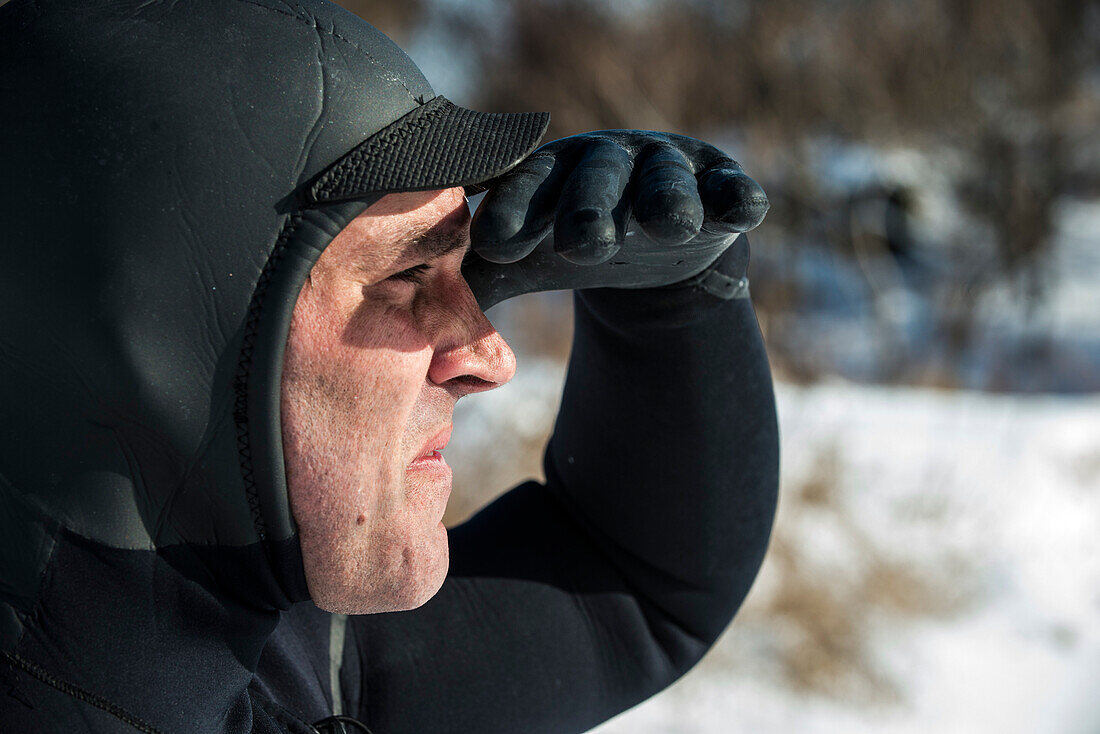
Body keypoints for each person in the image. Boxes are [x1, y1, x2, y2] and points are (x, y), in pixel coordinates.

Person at [0, 1, 779, 732]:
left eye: (463, 274)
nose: (490, 359)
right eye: (407, 279)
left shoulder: (275, 661)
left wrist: (677, 300)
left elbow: (631, 595)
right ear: (159, 339)